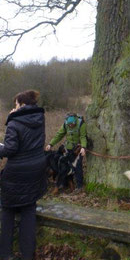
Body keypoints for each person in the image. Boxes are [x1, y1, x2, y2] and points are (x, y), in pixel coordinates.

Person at [0, 90, 47, 260]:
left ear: (22, 105)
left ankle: (5, 254)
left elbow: (10, 149)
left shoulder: (14, 122)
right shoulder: (40, 118)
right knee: (28, 209)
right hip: (36, 169)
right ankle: (27, 255)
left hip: (17, 172)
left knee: (7, 209)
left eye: (16, 105)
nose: (14, 108)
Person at [45, 113, 87, 191]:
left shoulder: (81, 124)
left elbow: (83, 137)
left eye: (72, 124)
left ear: (75, 121)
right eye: (69, 124)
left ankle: (79, 186)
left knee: (77, 166)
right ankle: (64, 184)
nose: (70, 126)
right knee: (65, 167)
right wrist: (51, 144)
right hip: (68, 148)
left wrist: (83, 147)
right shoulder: (65, 124)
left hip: (78, 149)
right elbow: (59, 135)